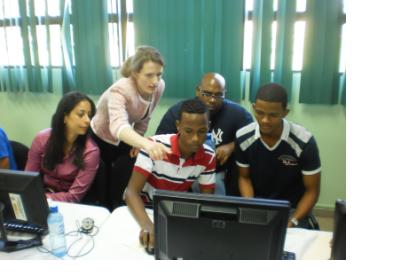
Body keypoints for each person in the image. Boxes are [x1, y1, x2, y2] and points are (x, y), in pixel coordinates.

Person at [125, 99, 216, 251]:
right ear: (178, 126)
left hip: (175, 213)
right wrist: (148, 226)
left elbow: (206, 200)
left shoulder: (208, 156)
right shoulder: (153, 146)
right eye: (188, 131)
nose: (195, 138)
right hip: (144, 209)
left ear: (208, 127)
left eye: (202, 131)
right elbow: (131, 192)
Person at [235, 83, 321, 229]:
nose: (265, 120)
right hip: (258, 206)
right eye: (260, 113)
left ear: (285, 113)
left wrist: (293, 221)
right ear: (254, 107)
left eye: (273, 115)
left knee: (293, 249)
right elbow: (244, 178)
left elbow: (312, 190)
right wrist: (252, 209)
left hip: (293, 209)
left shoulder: (304, 141)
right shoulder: (243, 137)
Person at [156, 72, 253, 195]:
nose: (212, 100)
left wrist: (232, 146)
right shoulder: (180, 111)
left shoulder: (237, 113)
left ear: (225, 94)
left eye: (218, 95)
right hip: (183, 169)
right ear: (197, 91)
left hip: (218, 171)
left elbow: (254, 135)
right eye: (207, 94)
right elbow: (160, 142)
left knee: (216, 201)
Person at [91, 45, 170, 166]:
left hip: (124, 136)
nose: (155, 81)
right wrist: (145, 143)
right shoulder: (121, 89)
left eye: (159, 74)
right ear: (135, 73)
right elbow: (117, 125)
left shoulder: (159, 86)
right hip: (100, 136)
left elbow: (146, 116)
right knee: (102, 178)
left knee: (122, 175)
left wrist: (138, 140)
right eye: (149, 75)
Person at [25, 92, 100, 203]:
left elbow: (74, 197)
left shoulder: (91, 151)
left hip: (69, 204)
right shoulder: (41, 139)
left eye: (89, 115)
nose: (87, 120)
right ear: (65, 117)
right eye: (81, 114)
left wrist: (43, 198)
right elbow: (28, 179)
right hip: (41, 197)